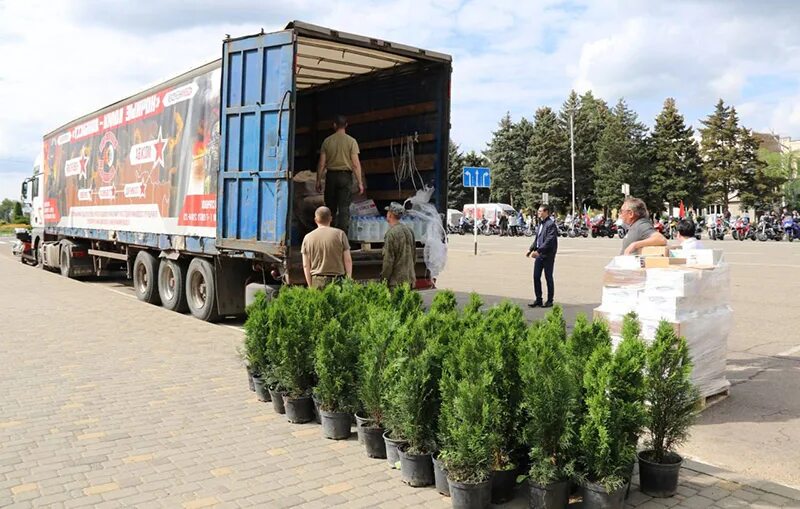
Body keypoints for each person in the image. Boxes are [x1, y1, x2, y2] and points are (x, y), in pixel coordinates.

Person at [316, 115, 365, 236]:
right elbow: (355, 164)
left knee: (330, 208)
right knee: (344, 208)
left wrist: (318, 180)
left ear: (334, 125)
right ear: (346, 125)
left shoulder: (327, 141)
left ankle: (329, 235)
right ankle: (342, 238)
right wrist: (360, 182)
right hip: (345, 177)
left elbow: (321, 163)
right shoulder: (351, 141)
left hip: (331, 176)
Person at [301, 206, 352, 289]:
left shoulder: (307, 238)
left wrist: (310, 285)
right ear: (331, 219)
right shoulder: (340, 234)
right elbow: (348, 260)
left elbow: (306, 265)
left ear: (315, 220)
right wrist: (348, 280)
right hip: (338, 280)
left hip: (317, 280)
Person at [526, 204, 558, 308]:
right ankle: (538, 299)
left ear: (546, 212)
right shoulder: (540, 223)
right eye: (538, 211)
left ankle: (550, 301)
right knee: (536, 277)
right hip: (539, 255)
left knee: (548, 277)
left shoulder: (550, 224)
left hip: (547, 255)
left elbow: (549, 240)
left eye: (540, 211)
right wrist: (530, 249)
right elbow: (537, 239)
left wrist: (539, 251)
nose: (538, 213)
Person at [381, 202, 416, 289]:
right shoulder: (409, 231)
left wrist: (384, 280)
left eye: (388, 212)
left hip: (396, 282)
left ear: (390, 215)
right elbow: (414, 256)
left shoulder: (391, 234)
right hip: (409, 280)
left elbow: (388, 261)